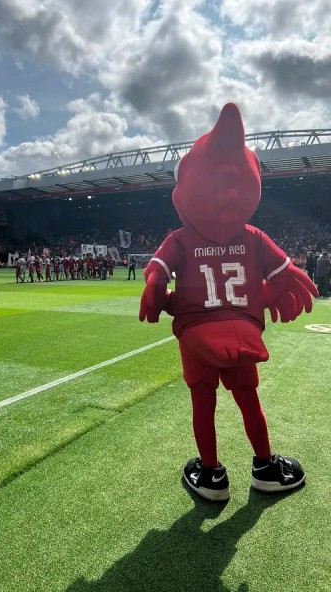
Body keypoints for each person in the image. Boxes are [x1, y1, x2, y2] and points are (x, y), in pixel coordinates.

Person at [139, 103, 317, 502]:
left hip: (196, 335)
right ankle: (267, 467)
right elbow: (286, 274)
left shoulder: (180, 238)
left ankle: (210, 475)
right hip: (242, 332)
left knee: (203, 402)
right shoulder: (253, 236)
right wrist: (262, 299)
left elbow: (158, 275)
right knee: (248, 399)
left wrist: (164, 297)